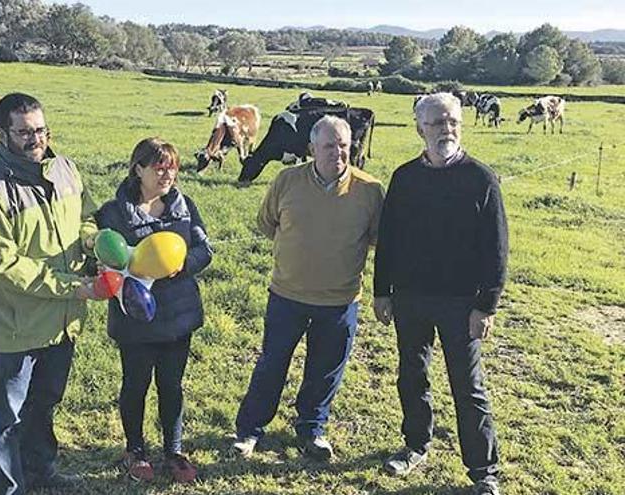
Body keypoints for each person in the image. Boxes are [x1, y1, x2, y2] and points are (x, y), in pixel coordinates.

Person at [0, 92, 101, 494]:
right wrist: (74, 287)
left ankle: (41, 471)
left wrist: (93, 243)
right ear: (2, 133)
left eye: (39, 130)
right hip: (15, 327)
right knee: (7, 417)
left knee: (44, 404)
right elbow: (3, 266)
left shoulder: (66, 170)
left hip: (61, 324)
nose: (34, 139)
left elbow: (86, 218)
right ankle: (7, 487)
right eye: (23, 132)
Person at [373, 92, 508, 495]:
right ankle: (416, 445)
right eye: (436, 123)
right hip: (411, 298)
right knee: (411, 377)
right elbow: (389, 239)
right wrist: (382, 292)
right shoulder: (404, 177)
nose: (445, 129)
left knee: (468, 387)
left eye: (452, 121)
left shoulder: (481, 179)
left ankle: (483, 472)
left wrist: (486, 305)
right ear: (420, 129)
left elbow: (497, 250)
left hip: (461, 304)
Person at [230, 116, 385, 461]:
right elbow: (268, 224)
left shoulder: (370, 190)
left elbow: (376, 239)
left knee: (326, 368)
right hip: (287, 295)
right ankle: (250, 430)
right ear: (312, 149)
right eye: (329, 146)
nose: (338, 153)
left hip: (340, 300)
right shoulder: (287, 180)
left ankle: (311, 429)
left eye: (344, 145)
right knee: (272, 363)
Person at [94, 138, 212, 483]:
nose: (167, 173)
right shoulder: (112, 213)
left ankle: (174, 451)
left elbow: (205, 251)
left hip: (178, 317)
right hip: (136, 319)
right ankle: (136, 450)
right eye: (159, 166)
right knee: (136, 384)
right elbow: (98, 257)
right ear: (138, 169)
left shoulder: (185, 206)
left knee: (172, 385)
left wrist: (181, 265)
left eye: (172, 166)